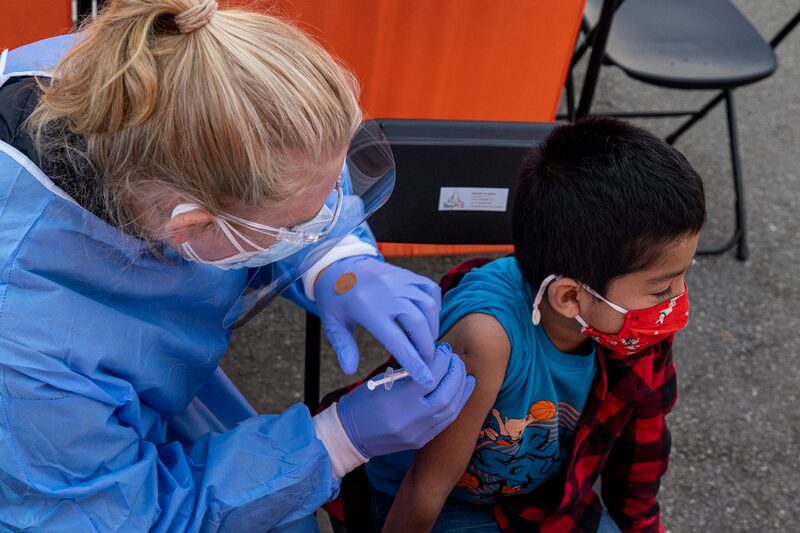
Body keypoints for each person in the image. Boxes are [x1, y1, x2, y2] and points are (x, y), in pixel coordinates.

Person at [0, 1, 474, 531]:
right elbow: (122, 517)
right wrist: (336, 442)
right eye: (300, 226)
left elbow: (282, 171)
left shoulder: (158, 67)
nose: (325, 220)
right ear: (188, 227)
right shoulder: (27, 352)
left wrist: (337, 261)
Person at [363, 118, 706, 532]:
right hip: (445, 505)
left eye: (681, 277)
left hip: (541, 500)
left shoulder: (633, 328)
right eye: (662, 288)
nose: (677, 300)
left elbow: (641, 454)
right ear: (569, 297)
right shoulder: (486, 339)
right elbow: (426, 486)